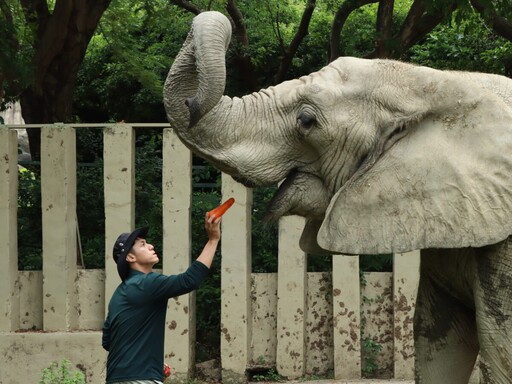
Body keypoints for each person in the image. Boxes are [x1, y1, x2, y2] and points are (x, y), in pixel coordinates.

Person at [102, 213, 221, 384]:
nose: (150, 246)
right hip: (140, 379)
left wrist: (148, 361)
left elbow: (108, 341)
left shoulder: (119, 294)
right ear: (130, 257)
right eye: (143, 245)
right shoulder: (145, 283)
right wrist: (213, 240)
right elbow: (189, 280)